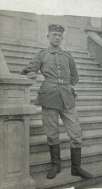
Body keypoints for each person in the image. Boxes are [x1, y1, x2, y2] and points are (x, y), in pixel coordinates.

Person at [21, 24, 93, 180]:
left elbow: (75, 77)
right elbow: (30, 68)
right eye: (54, 34)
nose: (57, 37)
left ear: (62, 38)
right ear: (48, 37)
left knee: (76, 133)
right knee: (52, 134)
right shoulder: (41, 55)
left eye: (59, 35)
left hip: (67, 98)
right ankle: (56, 165)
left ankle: (76, 167)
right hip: (49, 97)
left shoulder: (68, 56)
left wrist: (67, 87)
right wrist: (31, 72)